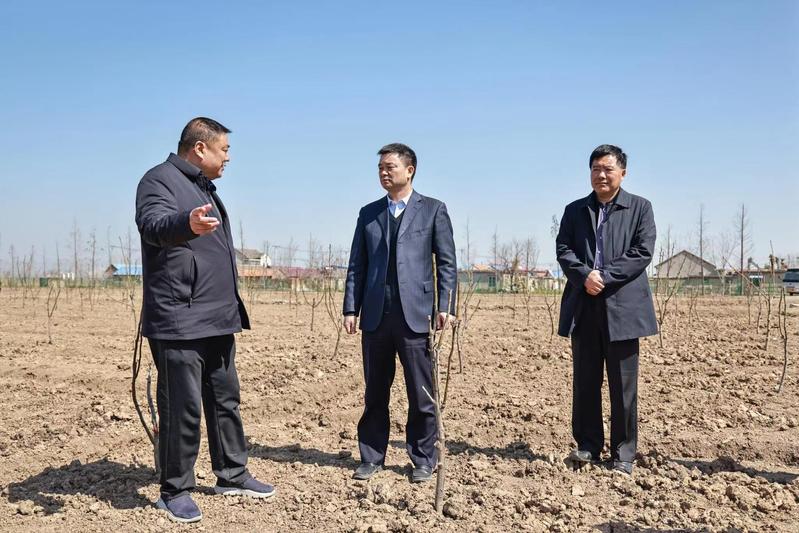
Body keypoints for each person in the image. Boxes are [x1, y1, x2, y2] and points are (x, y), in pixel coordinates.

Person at [135, 117, 274, 523]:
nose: (228, 157)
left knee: (225, 398)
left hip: (216, 316)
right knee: (182, 407)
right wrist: (186, 223)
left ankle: (232, 473)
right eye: (224, 149)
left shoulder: (203, 187)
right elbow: (153, 225)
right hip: (180, 317)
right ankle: (175, 489)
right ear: (200, 148)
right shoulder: (158, 180)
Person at [343, 143, 457, 483]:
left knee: (421, 393)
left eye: (390, 166)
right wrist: (351, 307)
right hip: (376, 316)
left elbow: (447, 263)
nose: (383, 172)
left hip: (416, 316)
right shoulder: (369, 214)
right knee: (375, 392)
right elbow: (357, 264)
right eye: (380, 167)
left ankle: (423, 459)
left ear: (410, 170)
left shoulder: (433, 210)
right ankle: (371, 457)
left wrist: (446, 306)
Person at [555, 144, 657, 476]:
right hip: (584, 305)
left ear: (622, 173)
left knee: (623, 386)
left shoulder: (640, 208)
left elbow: (642, 251)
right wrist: (585, 275)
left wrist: (605, 276)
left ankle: (623, 453)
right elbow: (564, 249)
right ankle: (587, 445)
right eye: (596, 169)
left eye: (608, 169)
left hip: (624, 307)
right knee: (585, 382)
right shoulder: (575, 211)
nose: (601, 174)